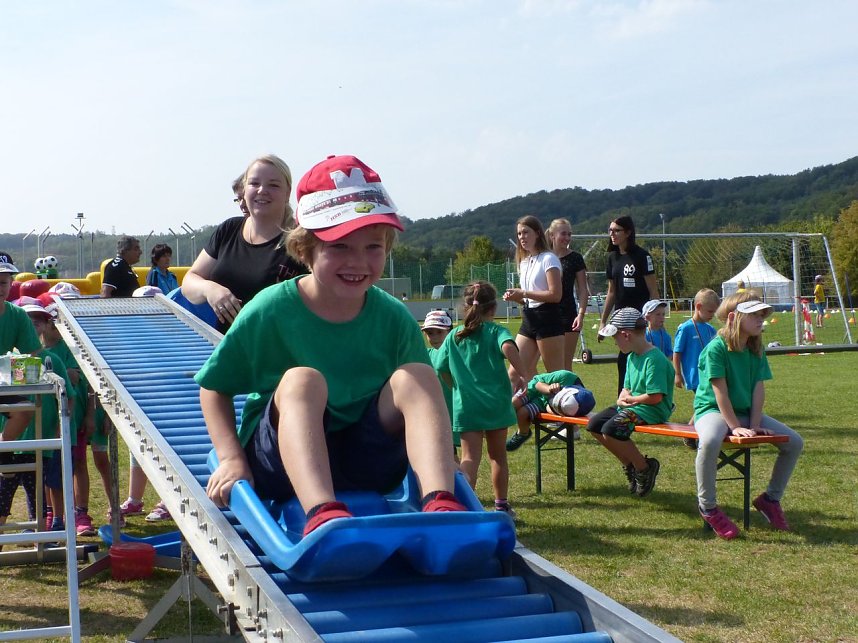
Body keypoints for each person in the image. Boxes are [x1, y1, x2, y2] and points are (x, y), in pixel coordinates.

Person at [197, 154, 466, 538]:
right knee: (304, 381)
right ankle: (322, 512)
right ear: (306, 249)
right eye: (339, 246)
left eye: (372, 247)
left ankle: (440, 502)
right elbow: (214, 387)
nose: (357, 261)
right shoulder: (272, 309)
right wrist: (231, 458)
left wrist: (445, 459)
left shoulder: (391, 317)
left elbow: (420, 403)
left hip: (365, 460)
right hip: (283, 466)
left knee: (418, 375)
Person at [693, 294, 804, 539]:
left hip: (744, 415)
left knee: (794, 442)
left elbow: (758, 390)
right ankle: (708, 507)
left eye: (761, 315)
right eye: (754, 314)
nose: (760, 320)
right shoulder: (716, 347)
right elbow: (719, 392)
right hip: (712, 411)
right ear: (734, 317)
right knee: (710, 441)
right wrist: (734, 427)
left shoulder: (755, 348)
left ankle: (770, 500)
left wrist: (754, 425)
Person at [182, 154, 308, 332]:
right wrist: (210, 289)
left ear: (287, 193)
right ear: (244, 189)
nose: (262, 190)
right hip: (226, 347)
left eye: (273, 185)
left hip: (279, 352)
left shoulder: (301, 240)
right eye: (254, 183)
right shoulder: (228, 230)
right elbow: (190, 280)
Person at [435, 281, 526, 517]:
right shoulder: (496, 331)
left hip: (466, 406)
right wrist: (521, 371)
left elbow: (440, 366)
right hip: (495, 404)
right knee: (497, 457)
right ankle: (501, 505)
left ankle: (466, 508)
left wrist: (453, 385)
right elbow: (507, 346)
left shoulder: (455, 335)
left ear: (464, 307)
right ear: (493, 308)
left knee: (469, 459)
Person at [586, 308, 673, 497]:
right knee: (594, 425)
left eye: (615, 338)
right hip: (634, 407)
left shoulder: (654, 359)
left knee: (612, 429)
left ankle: (644, 467)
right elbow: (627, 388)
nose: (615, 343)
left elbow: (655, 397)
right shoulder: (632, 356)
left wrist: (630, 399)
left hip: (652, 410)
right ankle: (630, 465)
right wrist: (622, 397)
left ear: (626, 335)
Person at [503, 215, 564, 451]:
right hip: (529, 318)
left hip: (548, 319)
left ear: (538, 233)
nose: (522, 237)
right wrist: (517, 296)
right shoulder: (524, 261)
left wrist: (525, 293)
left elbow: (555, 295)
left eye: (526, 232)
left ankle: (564, 424)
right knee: (515, 373)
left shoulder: (549, 259)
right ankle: (524, 424)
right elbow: (528, 293)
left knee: (555, 376)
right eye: (519, 234)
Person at [599, 216, 659, 395]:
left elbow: (653, 290)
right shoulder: (612, 258)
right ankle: (623, 404)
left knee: (641, 361)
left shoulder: (642, 256)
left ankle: (646, 402)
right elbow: (611, 292)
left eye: (616, 230)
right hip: (620, 321)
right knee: (623, 361)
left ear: (628, 232)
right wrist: (603, 322)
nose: (612, 234)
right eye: (610, 230)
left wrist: (653, 318)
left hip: (640, 320)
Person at [0, 260, 41, 470]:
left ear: (10, 284)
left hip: (3, 381)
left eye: (3, 283)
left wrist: (10, 369)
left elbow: (32, 355)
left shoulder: (17, 315)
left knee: (25, 411)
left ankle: (3, 448)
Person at [673, 288, 720, 450]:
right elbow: (676, 352)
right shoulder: (685, 329)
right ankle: (691, 433)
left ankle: (691, 433)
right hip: (694, 375)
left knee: (707, 403)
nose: (712, 315)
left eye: (714, 312)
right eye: (709, 311)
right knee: (707, 402)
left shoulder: (710, 329)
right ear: (698, 306)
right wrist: (678, 374)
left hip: (710, 373)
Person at [546, 218, 589, 371]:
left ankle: (569, 395)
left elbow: (583, 289)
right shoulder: (543, 257)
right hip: (545, 315)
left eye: (569, 234)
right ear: (552, 235)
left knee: (565, 366)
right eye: (563, 234)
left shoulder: (575, 258)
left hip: (568, 316)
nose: (567, 238)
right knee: (549, 367)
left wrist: (581, 314)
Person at [512, 369, 595, 442]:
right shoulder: (565, 376)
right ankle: (499, 430)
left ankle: (522, 434)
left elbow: (549, 407)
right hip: (532, 389)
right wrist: (548, 388)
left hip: (542, 403)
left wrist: (553, 408)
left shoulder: (573, 409)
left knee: (522, 414)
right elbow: (537, 384)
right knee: (512, 404)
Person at [421, 310, 456, 452]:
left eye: (439, 332)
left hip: (457, 412)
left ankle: (460, 475)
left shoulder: (458, 354)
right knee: (444, 451)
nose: (434, 337)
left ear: (450, 332)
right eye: (430, 333)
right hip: (436, 414)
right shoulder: (425, 355)